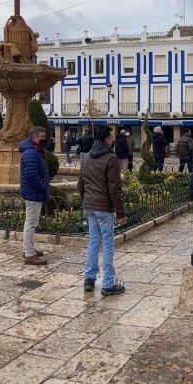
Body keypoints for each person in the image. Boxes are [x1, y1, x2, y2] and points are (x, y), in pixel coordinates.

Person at [77, 125, 126, 295]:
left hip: (89, 205)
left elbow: (80, 183)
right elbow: (114, 187)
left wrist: (84, 201)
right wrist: (120, 212)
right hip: (104, 207)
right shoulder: (111, 158)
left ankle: (89, 279)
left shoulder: (86, 157)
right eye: (111, 137)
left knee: (93, 241)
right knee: (107, 243)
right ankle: (107, 283)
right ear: (106, 139)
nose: (113, 139)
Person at [19, 127, 50, 266]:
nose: (45, 139)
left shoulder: (35, 151)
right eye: (42, 137)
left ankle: (29, 248)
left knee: (31, 222)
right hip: (33, 192)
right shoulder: (31, 153)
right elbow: (31, 175)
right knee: (31, 222)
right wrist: (42, 188)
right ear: (34, 137)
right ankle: (29, 254)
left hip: (33, 192)